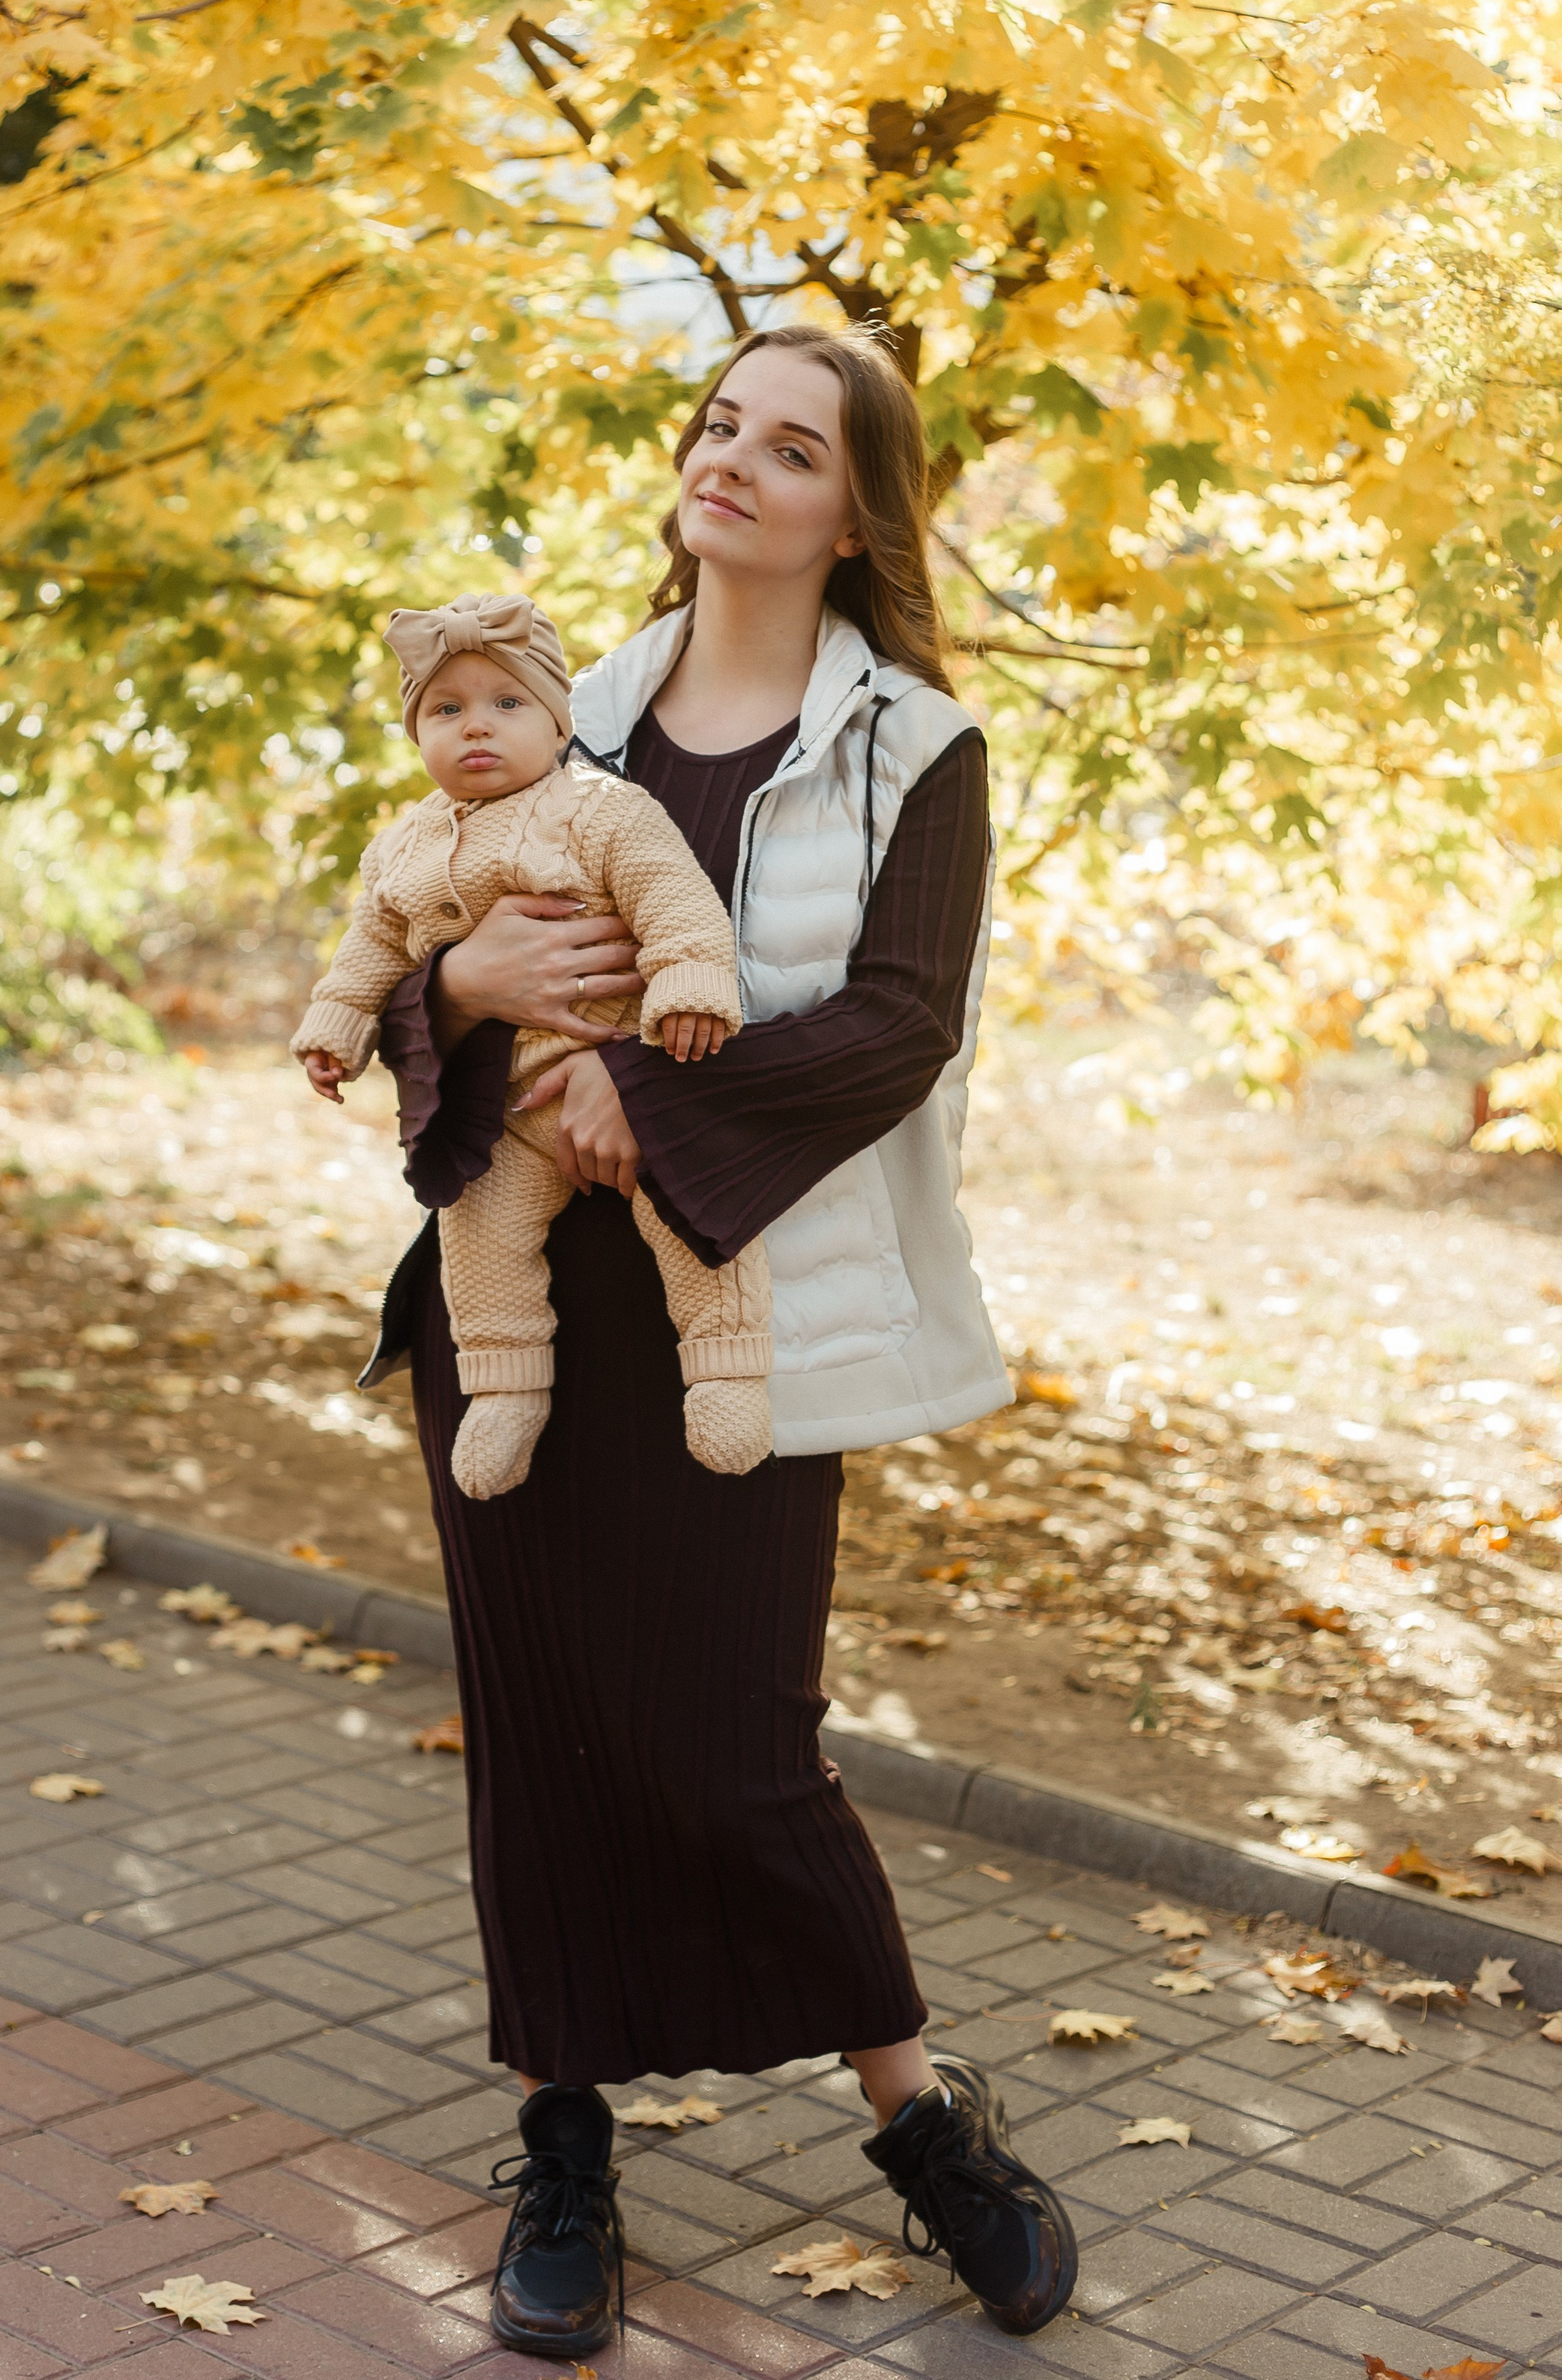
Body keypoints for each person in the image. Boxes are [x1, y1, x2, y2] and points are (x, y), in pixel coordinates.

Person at [358, 323, 1077, 2355]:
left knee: (741, 1751)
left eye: (789, 446)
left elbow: (903, 1019)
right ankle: (563, 2141)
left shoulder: (916, 746)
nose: (733, 464)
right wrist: (472, 988)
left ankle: (919, 2116)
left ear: (857, 512)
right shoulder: (543, 709)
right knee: (545, 1734)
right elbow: (398, 940)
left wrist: (647, 1104)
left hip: (733, 1298)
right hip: (510, 1316)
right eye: (714, 428)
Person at [291, 591, 775, 1501]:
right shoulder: (403, 846)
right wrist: (337, 1030)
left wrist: (689, 984)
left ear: (559, 724)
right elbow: (368, 950)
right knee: (476, 1231)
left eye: (507, 704)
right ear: (417, 735)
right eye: (447, 709)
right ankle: (506, 1389)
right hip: (505, 1107)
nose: (477, 727)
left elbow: (673, 900)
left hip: (628, 1068)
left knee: (689, 1211)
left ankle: (725, 1369)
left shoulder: (602, 810)